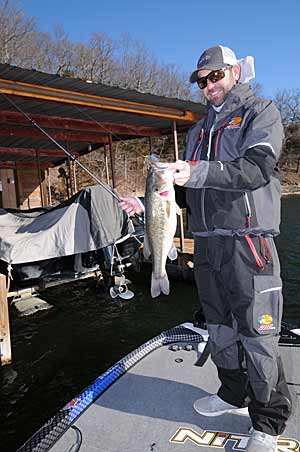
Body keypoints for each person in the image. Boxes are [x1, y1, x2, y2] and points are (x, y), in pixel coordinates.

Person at [120, 45, 292, 452]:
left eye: (215, 76)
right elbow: (187, 195)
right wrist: (149, 201)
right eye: (202, 80)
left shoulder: (260, 112)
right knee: (220, 327)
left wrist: (194, 171)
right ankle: (232, 394)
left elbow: (256, 169)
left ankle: (268, 421)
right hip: (207, 246)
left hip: (249, 242)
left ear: (233, 72)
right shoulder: (198, 132)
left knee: (257, 332)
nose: (208, 85)